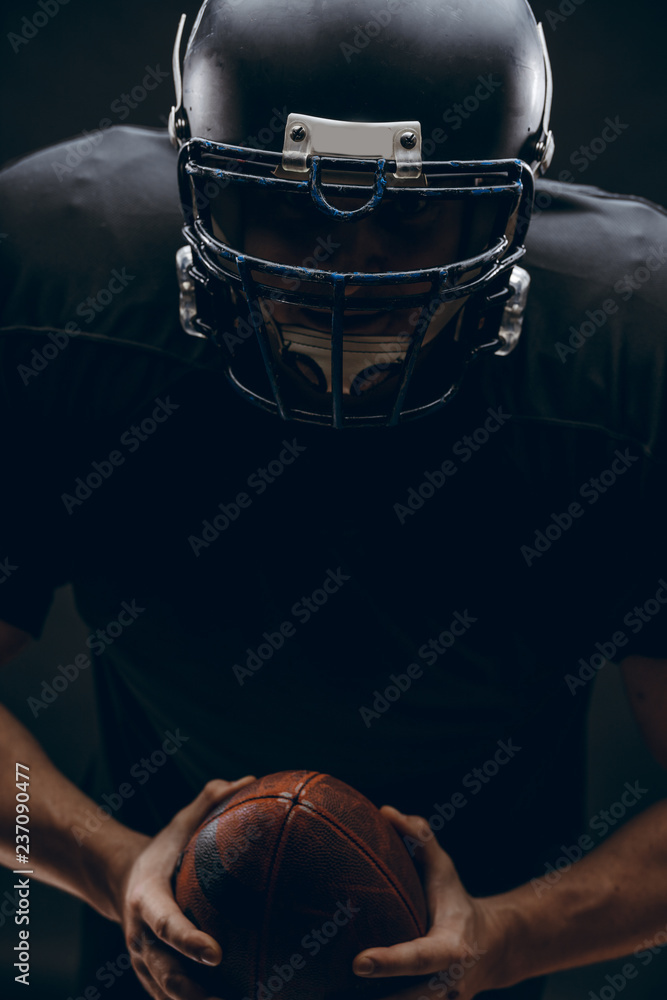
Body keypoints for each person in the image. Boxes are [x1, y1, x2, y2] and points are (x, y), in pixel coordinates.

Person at [1, 0, 666, 998]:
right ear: (198, 184)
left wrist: (510, 937)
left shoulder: (621, 360)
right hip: (159, 951)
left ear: (504, 203)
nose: (341, 265)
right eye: (286, 203)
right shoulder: (64, 296)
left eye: (402, 212)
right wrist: (107, 862)